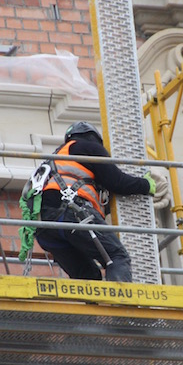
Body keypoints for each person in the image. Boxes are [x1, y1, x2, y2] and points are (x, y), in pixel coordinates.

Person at [35, 121, 158, 282]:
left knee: (88, 276)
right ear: (92, 137)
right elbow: (118, 182)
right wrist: (145, 184)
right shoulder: (85, 147)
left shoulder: (56, 160)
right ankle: (121, 305)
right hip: (72, 213)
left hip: (45, 229)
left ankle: (95, 307)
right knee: (116, 256)